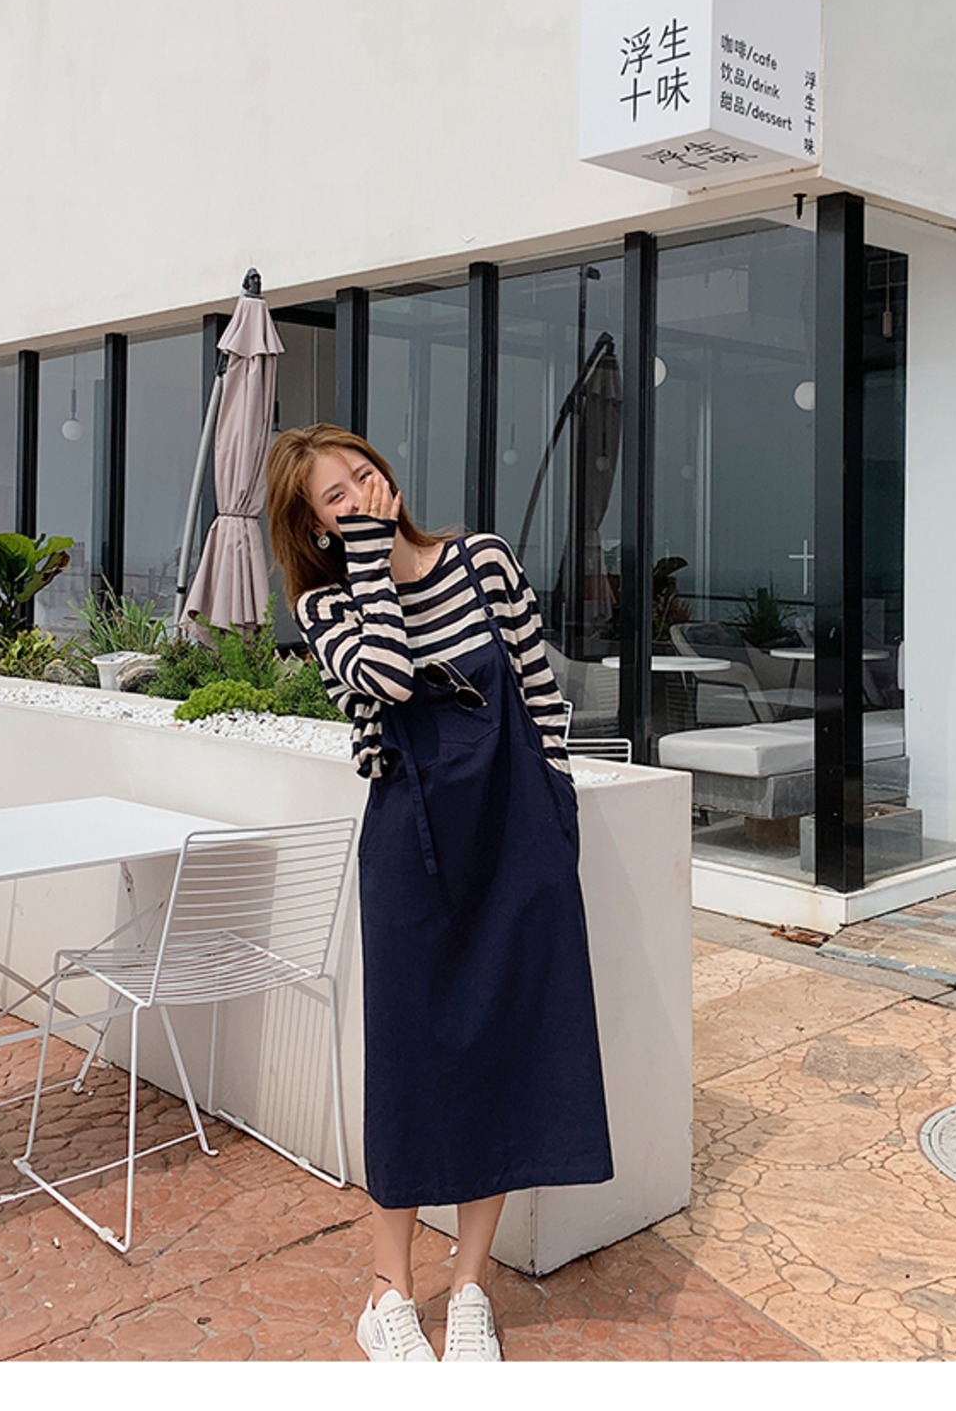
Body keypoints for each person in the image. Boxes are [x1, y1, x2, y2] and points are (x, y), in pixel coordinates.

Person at [266, 423, 613, 1363]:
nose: (360, 494)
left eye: (362, 473)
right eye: (336, 497)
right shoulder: (326, 607)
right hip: (411, 847)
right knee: (411, 1064)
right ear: (319, 526)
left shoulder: (483, 561)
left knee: (502, 1049)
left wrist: (556, 809)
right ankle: (388, 1293)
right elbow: (384, 677)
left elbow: (540, 694)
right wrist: (371, 561)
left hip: (514, 835)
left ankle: (468, 1288)